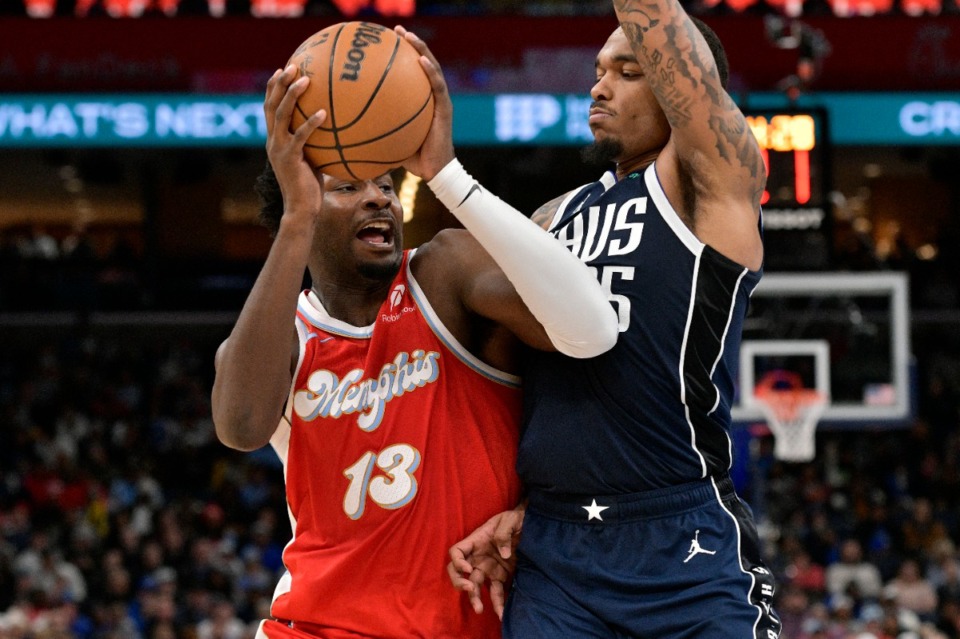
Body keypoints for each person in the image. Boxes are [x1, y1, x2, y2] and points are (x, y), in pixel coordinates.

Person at [209, 33, 619, 639]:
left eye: (384, 183)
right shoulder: (283, 334)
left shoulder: (444, 273)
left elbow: (588, 328)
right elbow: (239, 426)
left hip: (463, 623)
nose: (378, 196)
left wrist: (447, 176)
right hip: (313, 625)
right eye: (348, 186)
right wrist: (295, 220)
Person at [441, 1, 782, 636]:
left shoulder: (706, 186)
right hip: (556, 548)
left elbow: (692, 76)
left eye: (628, 71)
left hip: (683, 536)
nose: (600, 84)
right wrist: (517, 505)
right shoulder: (551, 216)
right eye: (599, 70)